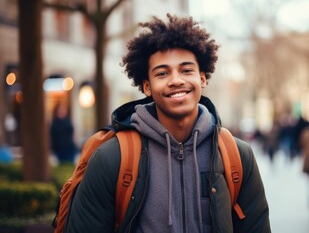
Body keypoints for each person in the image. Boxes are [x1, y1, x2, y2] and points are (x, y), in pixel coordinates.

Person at [66, 14, 270, 232]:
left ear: (202, 78)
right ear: (147, 86)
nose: (176, 80)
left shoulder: (237, 157)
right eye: (162, 73)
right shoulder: (111, 158)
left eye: (186, 70)